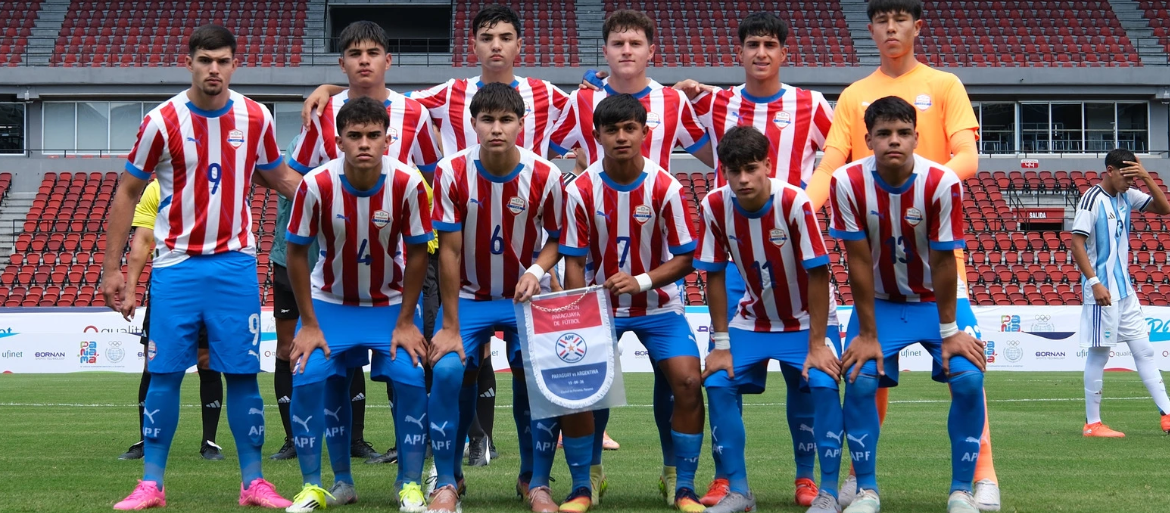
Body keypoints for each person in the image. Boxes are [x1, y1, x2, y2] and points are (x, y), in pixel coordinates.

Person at [302, 5, 576, 471]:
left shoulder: (548, 96)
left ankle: (532, 473)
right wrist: (332, 88)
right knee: (447, 363)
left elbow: (608, 116)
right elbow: (384, 97)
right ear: (473, 45)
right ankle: (446, 469)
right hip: (453, 256)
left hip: (524, 266)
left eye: (505, 37)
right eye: (487, 37)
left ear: (519, 45)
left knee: (528, 372)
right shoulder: (448, 95)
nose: (496, 45)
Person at [804, 1, 1000, 509]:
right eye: (882, 20)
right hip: (879, 265)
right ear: (870, 28)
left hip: (937, 263)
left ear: (917, 26)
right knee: (869, 374)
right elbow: (830, 164)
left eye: (900, 19)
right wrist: (800, 211)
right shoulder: (854, 96)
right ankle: (859, 477)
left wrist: (916, 186)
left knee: (967, 370)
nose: (891, 28)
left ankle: (983, 476)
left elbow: (968, 158)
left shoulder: (944, 84)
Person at [103, 24, 302, 510]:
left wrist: (338, 201)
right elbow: (128, 191)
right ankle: (152, 484)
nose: (213, 69)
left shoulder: (256, 117)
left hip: (235, 266)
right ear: (189, 62)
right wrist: (114, 270)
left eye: (222, 61)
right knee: (165, 373)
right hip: (176, 267)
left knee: (241, 374)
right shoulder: (161, 120)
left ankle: (252, 483)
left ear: (235, 64)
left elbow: (279, 176)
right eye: (205, 60)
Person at [672, 12, 835, 507]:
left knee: (805, 377)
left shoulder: (810, 104)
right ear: (738, 53)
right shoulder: (719, 103)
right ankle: (728, 480)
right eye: (752, 45)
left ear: (784, 53)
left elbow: (837, 157)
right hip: (740, 254)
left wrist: (809, 201)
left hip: (792, 239)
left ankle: (808, 478)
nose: (761, 53)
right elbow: (684, 134)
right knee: (721, 375)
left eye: (770, 45)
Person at [552, 11, 710, 504]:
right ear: (596, 135)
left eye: (634, 42)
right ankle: (585, 481)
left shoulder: (666, 182)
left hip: (659, 302)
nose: (621, 136)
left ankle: (679, 481)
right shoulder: (579, 188)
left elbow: (688, 253)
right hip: (596, 302)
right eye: (616, 42)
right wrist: (581, 309)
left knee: (686, 380)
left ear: (645, 130)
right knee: (581, 385)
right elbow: (573, 254)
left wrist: (640, 282)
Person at [275, 20, 443, 465]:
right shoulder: (325, 113)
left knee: (408, 358)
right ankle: (342, 459)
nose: (364, 60)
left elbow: (433, 176)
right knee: (332, 364)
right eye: (354, 53)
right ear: (342, 62)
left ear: (388, 60)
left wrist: (409, 218)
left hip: (401, 259)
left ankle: (409, 452)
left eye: (373, 52)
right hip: (337, 258)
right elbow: (295, 173)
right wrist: (328, 208)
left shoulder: (416, 113)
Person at [426, 83, 589, 513]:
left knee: (536, 377)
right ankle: (447, 480)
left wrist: (537, 270)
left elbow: (558, 239)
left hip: (525, 300)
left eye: (506, 120)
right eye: (488, 120)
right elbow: (450, 250)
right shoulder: (451, 171)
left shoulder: (545, 175)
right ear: (474, 124)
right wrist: (450, 324)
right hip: (468, 297)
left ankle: (535, 482)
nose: (496, 128)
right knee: (446, 373)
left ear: (520, 124)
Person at [829, 96, 987, 513]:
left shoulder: (942, 182)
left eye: (902, 133)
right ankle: (865, 491)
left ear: (917, 137)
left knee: (969, 379)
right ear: (868, 140)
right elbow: (857, 260)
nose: (893, 141)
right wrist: (865, 334)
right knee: (860, 379)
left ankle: (961, 491)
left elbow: (942, 257)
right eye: (883, 134)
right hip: (880, 303)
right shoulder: (846, 182)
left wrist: (950, 332)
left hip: (938, 303)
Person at [283, 96, 434, 513]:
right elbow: (296, 252)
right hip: (330, 303)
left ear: (388, 139)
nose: (364, 143)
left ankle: (409, 485)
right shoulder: (316, 184)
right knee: (309, 377)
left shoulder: (406, 183)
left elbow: (420, 252)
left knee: (409, 380)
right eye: (354, 136)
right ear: (338, 141)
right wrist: (309, 324)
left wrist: (407, 320)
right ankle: (325, 485)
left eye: (372, 135)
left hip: (389, 306)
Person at [694, 126, 843, 513]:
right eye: (733, 171)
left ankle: (821, 488)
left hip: (807, 320)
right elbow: (712, 273)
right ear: (723, 171)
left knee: (822, 382)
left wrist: (816, 345)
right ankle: (740, 491)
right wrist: (721, 345)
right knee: (718, 381)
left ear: (767, 165)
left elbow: (818, 271)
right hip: (753, 319)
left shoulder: (795, 202)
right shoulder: (713, 205)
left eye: (751, 169)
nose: (743, 179)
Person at [118, 179, 225, 463]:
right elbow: (142, 240)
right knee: (153, 363)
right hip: (168, 286)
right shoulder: (156, 188)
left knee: (207, 361)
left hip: (209, 285)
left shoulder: (216, 183)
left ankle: (210, 442)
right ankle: (147, 439)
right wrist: (131, 290)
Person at [1070, 149, 1170, 438]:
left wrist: (1146, 177)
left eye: (1133, 176)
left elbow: (1164, 208)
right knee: (1099, 354)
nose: (1130, 182)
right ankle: (1092, 423)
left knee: (1144, 350)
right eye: (1126, 176)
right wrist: (1093, 283)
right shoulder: (1091, 199)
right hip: (1103, 291)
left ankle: (1166, 414)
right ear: (1110, 170)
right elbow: (1077, 244)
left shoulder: (1127, 195)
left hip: (1125, 291)